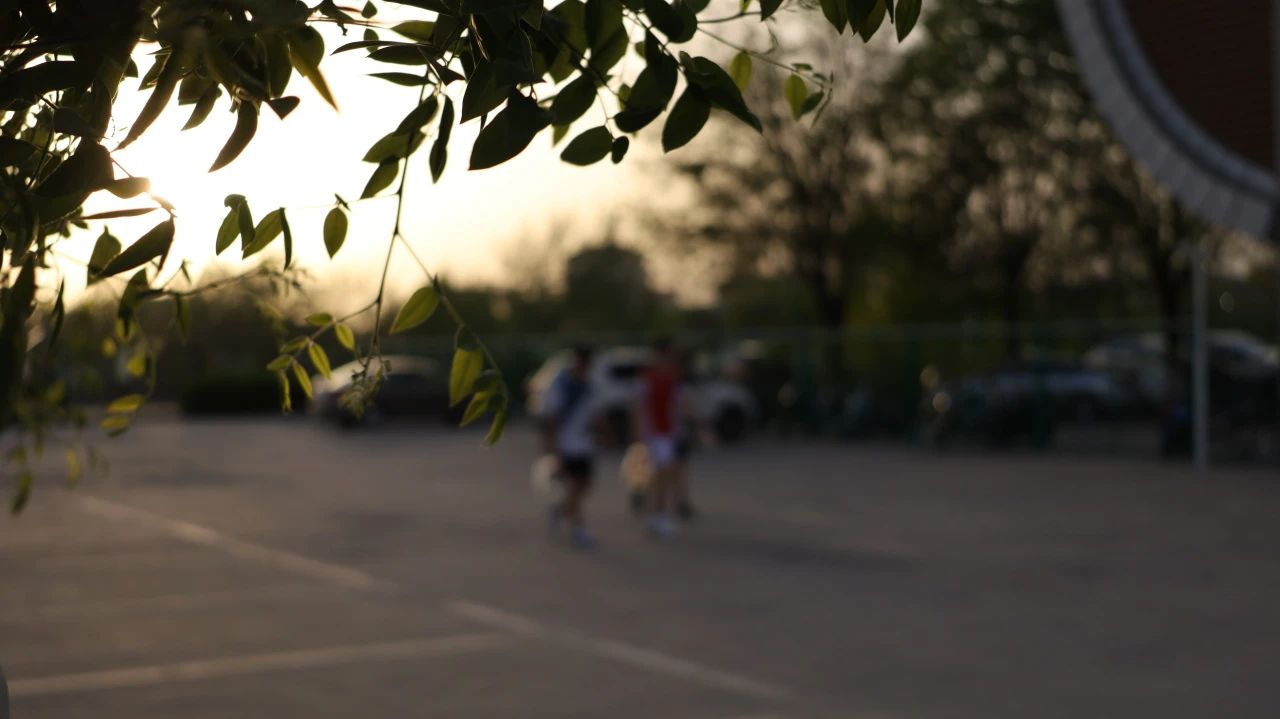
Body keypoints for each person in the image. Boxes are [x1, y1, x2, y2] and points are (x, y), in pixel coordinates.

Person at [541, 346, 599, 549]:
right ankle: (578, 529)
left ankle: (559, 510)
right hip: (566, 445)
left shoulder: (589, 385)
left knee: (585, 485)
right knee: (573, 487)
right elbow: (552, 418)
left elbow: (593, 414)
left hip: (584, 445)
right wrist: (552, 445)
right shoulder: (562, 385)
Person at [636, 338, 682, 538]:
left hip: (668, 432)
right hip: (655, 434)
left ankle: (655, 514)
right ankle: (656, 516)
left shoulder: (672, 376)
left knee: (664, 476)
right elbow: (639, 406)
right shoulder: (648, 377)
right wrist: (641, 433)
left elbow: (675, 405)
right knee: (661, 475)